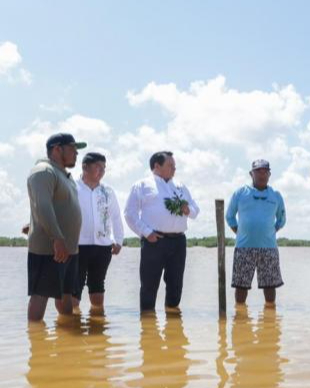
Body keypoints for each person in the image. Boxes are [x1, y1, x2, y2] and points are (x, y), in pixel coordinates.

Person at [124, 151, 199, 312]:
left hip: (178, 241)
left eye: (174, 166)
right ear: (156, 166)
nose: (174, 169)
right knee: (149, 285)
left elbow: (195, 209)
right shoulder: (142, 185)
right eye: (170, 165)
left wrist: (188, 210)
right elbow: (129, 213)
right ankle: (148, 327)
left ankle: (173, 325)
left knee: (176, 284)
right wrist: (146, 232)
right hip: (154, 241)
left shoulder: (180, 186)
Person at [26, 133, 86, 321]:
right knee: (40, 294)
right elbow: (42, 205)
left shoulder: (65, 176)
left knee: (66, 294)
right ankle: (36, 344)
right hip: (49, 248)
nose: (76, 153)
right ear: (57, 149)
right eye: (72, 148)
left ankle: (66, 341)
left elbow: (59, 208)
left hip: (69, 249)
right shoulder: (43, 171)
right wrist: (57, 238)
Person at [226, 159, 286, 305]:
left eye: (265, 171)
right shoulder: (240, 193)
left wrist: (272, 231)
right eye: (258, 171)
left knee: (270, 286)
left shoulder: (275, 195)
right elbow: (229, 216)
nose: (261, 174)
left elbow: (282, 219)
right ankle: (240, 317)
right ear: (251, 174)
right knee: (241, 286)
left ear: (269, 174)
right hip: (243, 247)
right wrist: (239, 232)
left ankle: (270, 319)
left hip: (269, 248)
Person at [73, 152, 125, 313]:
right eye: (97, 167)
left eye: (104, 168)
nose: (101, 171)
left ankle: (97, 322)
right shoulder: (72, 187)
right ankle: (72, 327)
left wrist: (118, 240)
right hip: (77, 245)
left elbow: (116, 217)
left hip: (102, 246)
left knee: (97, 284)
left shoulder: (108, 191)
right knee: (75, 285)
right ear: (84, 167)